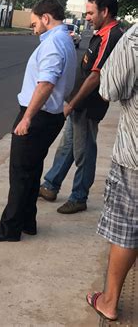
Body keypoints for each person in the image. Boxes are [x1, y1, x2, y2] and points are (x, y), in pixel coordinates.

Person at [0, 0, 77, 242]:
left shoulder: (54, 43)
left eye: (34, 24)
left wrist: (27, 117)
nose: (33, 29)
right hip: (49, 116)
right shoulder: (65, 40)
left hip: (38, 115)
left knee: (20, 172)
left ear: (46, 18)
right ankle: (27, 222)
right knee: (31, 171)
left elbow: (46, 84)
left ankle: (9, 228)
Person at [38, 0, 123, 214]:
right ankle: (50, 185)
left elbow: (95, 76)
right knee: (67, 147)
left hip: (87, 104)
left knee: (84, 150)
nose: (87, 17)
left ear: (105, 12)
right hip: (79, 103)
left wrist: (72, 103)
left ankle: (79, 196)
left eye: (90, 12)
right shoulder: (101, 33)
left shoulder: (110, 36)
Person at [86, 23, 137, 321]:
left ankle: (109, 301)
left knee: (127, 228)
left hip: (135, 156)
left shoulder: (134, 39)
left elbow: (109, 90)